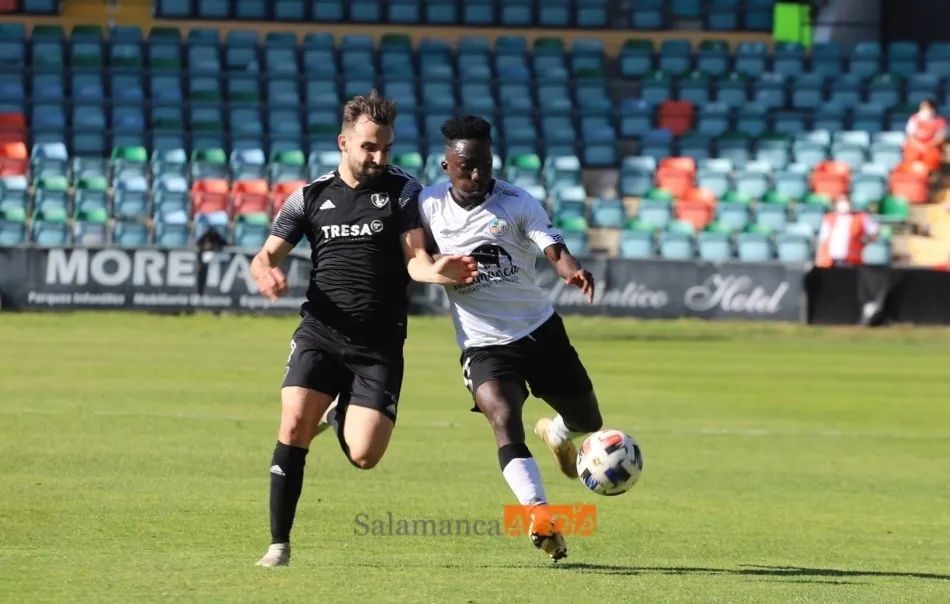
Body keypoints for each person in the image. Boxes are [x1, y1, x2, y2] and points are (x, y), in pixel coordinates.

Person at [249, 91, 478, 568]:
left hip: (379, 344)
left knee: (364, 455)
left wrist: (439, 271)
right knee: (292, 423)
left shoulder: (403, 191)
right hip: (321, 331)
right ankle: (278, 545)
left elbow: (415, 261)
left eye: (386, 148)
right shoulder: (309, 197)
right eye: (369, 147)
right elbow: (265, 254)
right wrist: (264, 271)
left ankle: (338, 415)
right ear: (344, 142)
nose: (379, 157)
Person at [415, 115, 604, 562]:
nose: (478, 175)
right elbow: (415, 257)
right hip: (483, 344)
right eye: (467, 167)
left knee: (589, 421)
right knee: (501, 414)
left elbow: (553, 248)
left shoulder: (517, 202)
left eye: (485, 164)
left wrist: (571, 270)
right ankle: (539, 516)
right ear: (446, 166)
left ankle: (557, 433)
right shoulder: (427, 206)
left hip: (538, 331)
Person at [815, 194, 881, 267]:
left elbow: (875, 231)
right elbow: (823, 240)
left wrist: (867, 239)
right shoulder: (829, 218)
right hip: (832, 260)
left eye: (845, 201)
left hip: (852, 260)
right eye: (841, 201)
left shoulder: (861, 217)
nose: (843, 204)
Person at [903, 99, 946, 174]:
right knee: (911, 154)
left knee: (932, 155)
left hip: (931, 147)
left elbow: (939, 138)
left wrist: (927, 146)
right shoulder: (914, 119)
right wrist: (920, 146)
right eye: (923, 108)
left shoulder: (940, 121)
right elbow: (910, 136)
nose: (925, 111)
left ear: (933, 109)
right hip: (916, 146)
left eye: (927, 108)